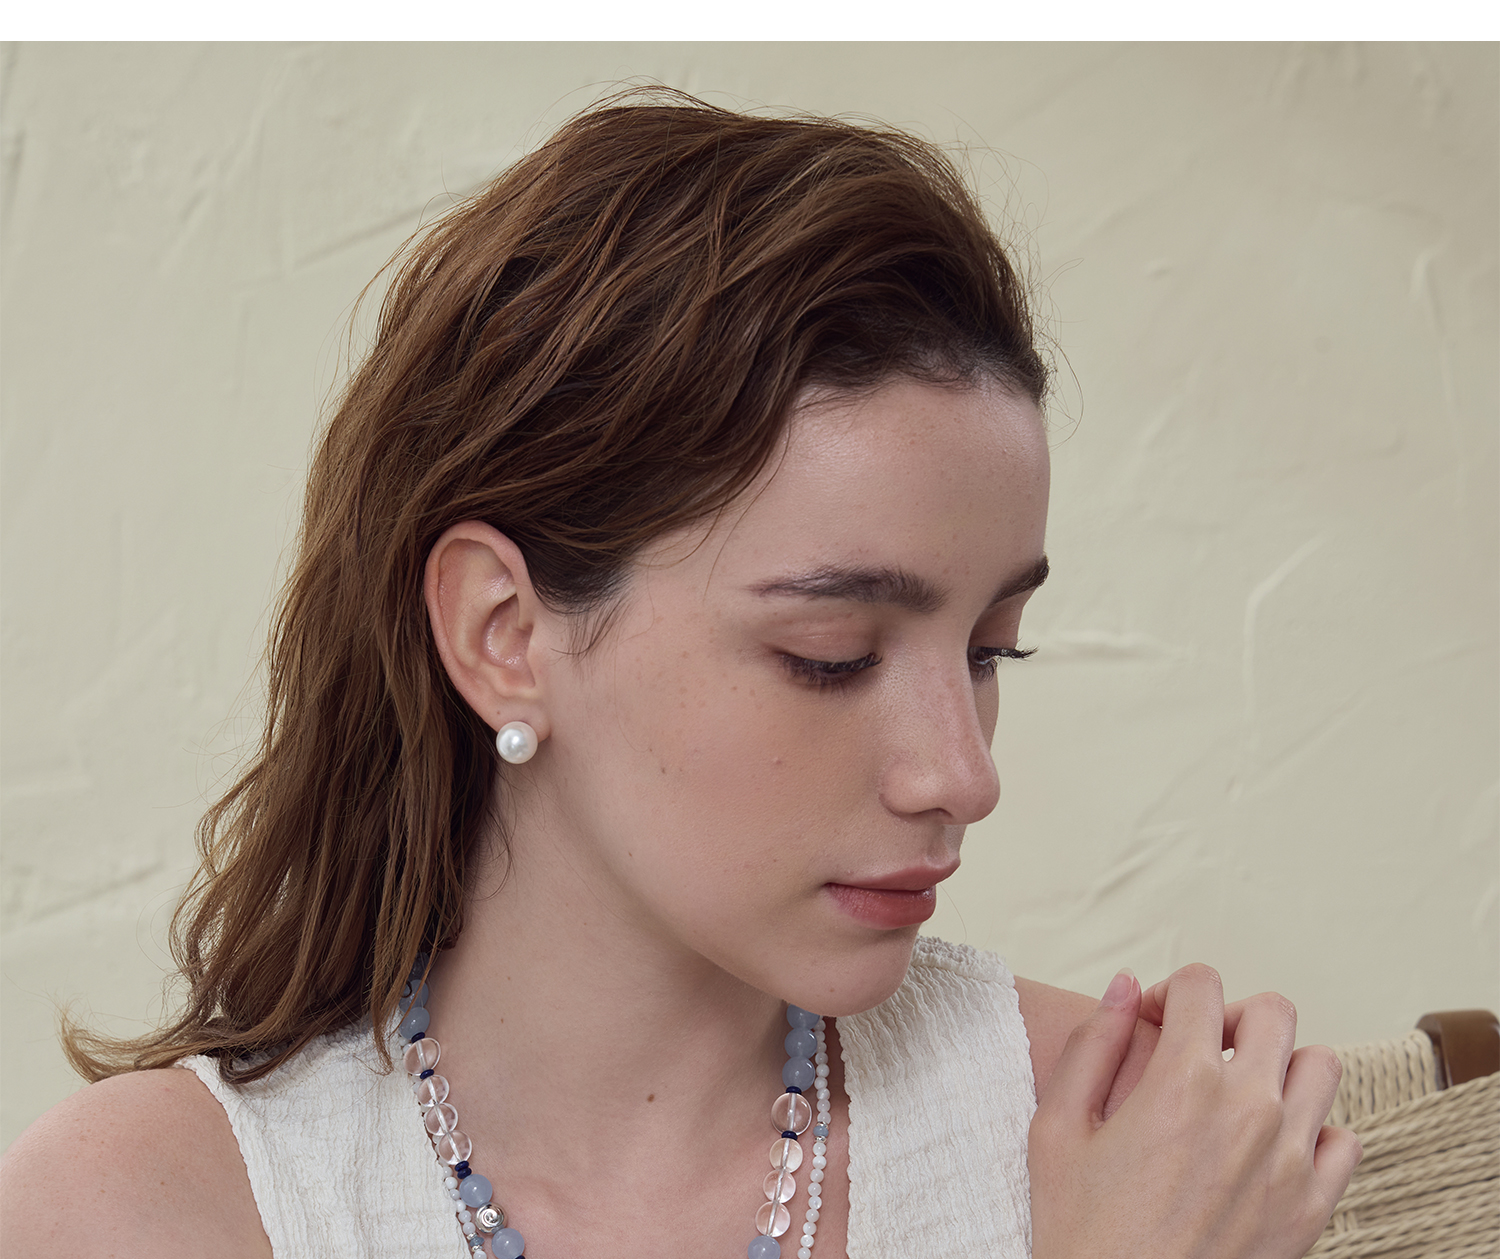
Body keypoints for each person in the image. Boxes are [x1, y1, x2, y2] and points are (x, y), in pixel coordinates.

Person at [0, 91, 1360, 1257]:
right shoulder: (155, 1211)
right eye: (831, 657)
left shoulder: (1143, 1141)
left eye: (989, 651)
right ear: (503, 633)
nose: (962, 773)